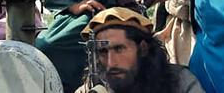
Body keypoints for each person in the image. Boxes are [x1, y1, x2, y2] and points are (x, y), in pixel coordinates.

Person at [76, 7, 204, 93]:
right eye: (103, 52)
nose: (111, 63)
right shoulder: (92, 88)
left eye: (119, 49)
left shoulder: (179, 81)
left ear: (143, 48)